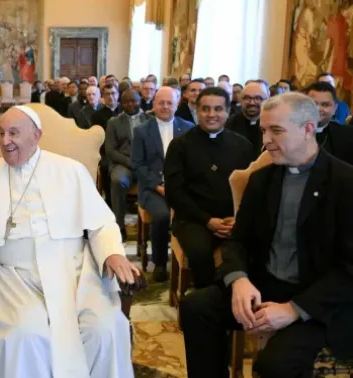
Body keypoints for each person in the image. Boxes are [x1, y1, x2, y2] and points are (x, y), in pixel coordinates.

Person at [0, 105, 139, 378]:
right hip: (14, 276)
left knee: (104, 328)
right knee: (24, 334)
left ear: (36, 135)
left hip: (75, 271)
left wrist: (112, 254)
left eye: (13, 133)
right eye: (1, 133)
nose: (4, 141)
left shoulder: (71, 171)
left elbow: (101, 224)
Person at [180, 92, 353, 378]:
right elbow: (237, 240)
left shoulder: (345, 183)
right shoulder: (262, 179)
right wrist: (239, 280)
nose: (266, 141)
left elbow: (348, 269)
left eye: (276, 130)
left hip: (316, 300)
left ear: (308, 129)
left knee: (275, 366)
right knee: (196, 307)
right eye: (263, 130)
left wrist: (295, 309)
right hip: (263, 286)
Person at [164, 87, 254, 288]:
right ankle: (207, 300)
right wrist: (207, 220)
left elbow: (251, 190)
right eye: (205, 109)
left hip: (233, 220)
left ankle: (240, 298)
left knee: (255, 248)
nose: (211, 114)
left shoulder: (243, 146)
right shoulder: (180, 146)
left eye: (218, 109)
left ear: (228, 111)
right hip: (193, 219)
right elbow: (174, 193)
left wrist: (237, 219)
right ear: (196, 110)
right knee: (200, 252)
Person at [132, 87, 194, 282]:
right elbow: (138, 165)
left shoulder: (189, 128)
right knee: (161, 215)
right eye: (161, 102)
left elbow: (193, 162)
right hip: (152, 188)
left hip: (181, 187)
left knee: (192, 214)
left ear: (177, 105)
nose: (165, 106)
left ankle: (190, 262)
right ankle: (159, 263)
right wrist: (158, 186)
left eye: (169, 103)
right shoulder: (141, 130)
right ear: (153, 104)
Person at [106, 89, 151, 241]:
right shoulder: (114, 122)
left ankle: (153, 226)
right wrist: (130, 162)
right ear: (121, 103)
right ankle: (119, 226)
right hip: (123, 163)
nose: (131, 104)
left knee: (158, 179)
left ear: (140, 101)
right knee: (118, 180)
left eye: (134, 100)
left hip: (146, 164)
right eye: (126, 101)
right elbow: (111, 151)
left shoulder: (150, 120)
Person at [305, 81, 353, 165]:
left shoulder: (348, 136)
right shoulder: (289, 131)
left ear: (335, 109)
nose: (318, 109)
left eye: (325, 105)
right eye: (312, 104)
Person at [225, 82, 268, 157]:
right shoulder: (229, 123)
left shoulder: (271, 124)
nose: (252, 103)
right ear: (241, 100)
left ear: (266, 100)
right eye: (247, 98)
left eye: (258, 98)